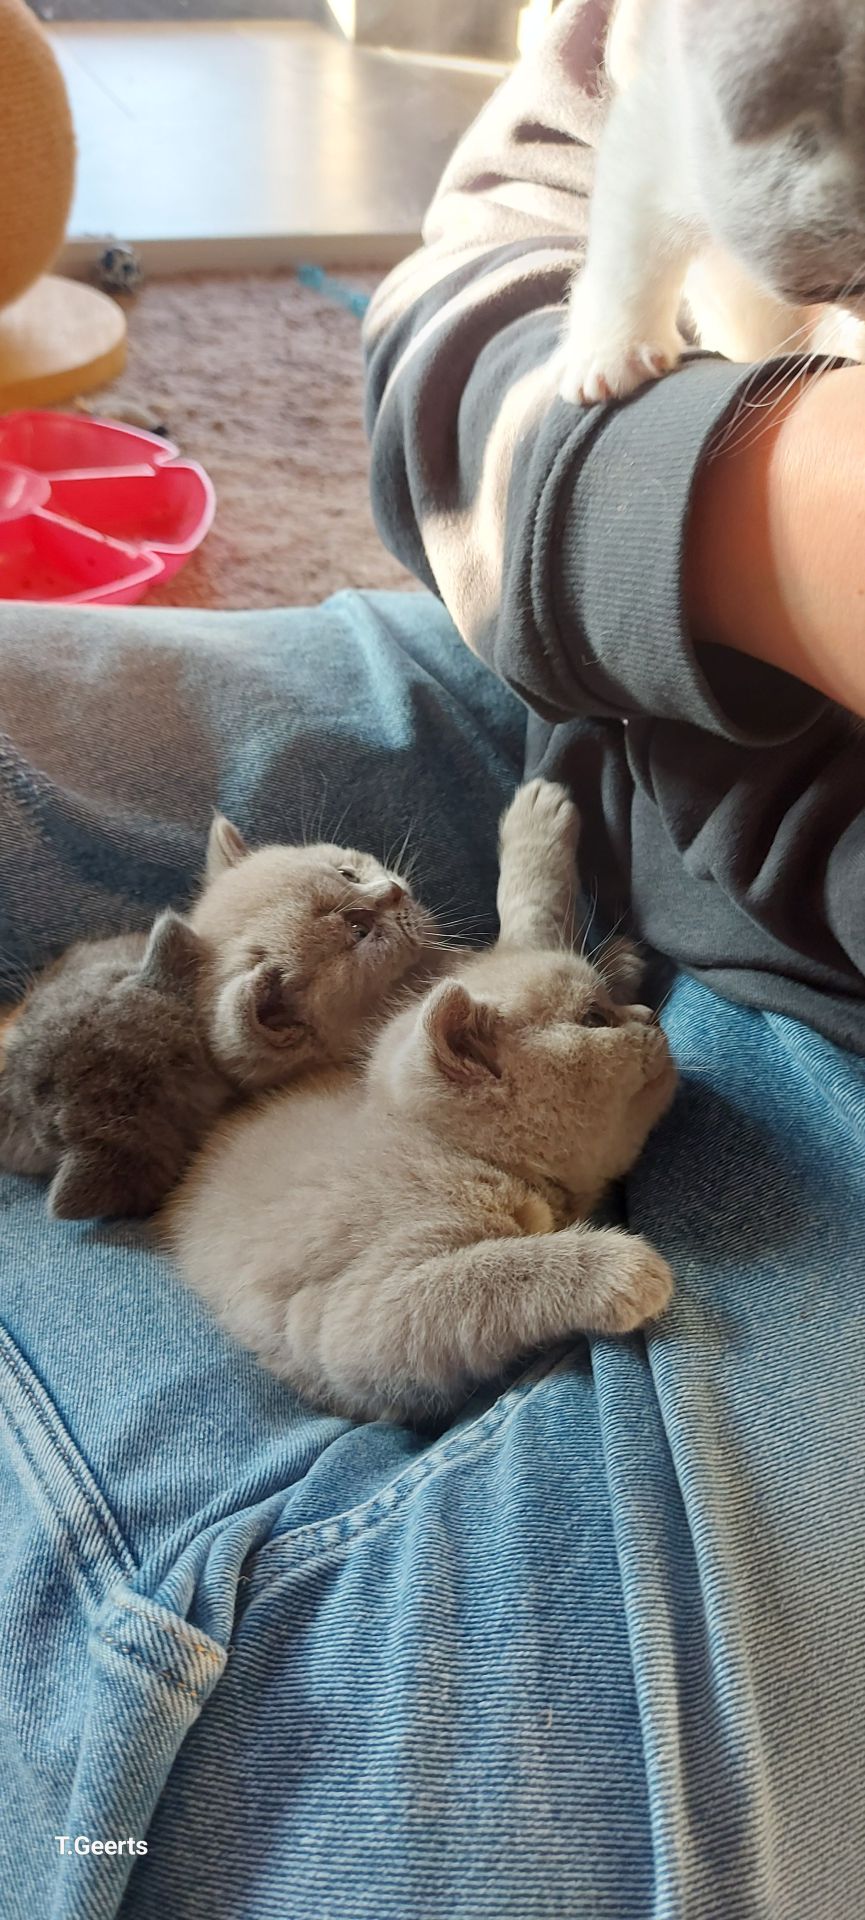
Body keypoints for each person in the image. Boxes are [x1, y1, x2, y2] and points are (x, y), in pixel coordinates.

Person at [2, 3, 864, 1913]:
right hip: (609, 691)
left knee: (361, 1781)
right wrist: (755, 511)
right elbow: (492, 267)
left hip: (799, 1044)